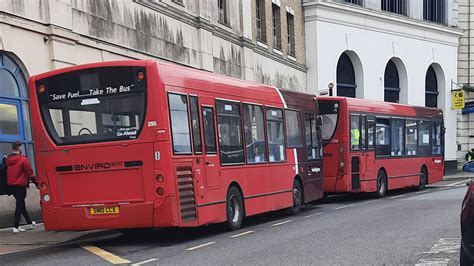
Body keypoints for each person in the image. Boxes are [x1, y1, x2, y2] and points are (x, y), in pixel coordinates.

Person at [4, 141, 38, 233]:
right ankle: (15, 226)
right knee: (19, 205)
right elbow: (30, 172)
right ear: (19, 147)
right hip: (20, 185)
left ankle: (29, 223)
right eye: (21, 146)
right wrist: (36, 183)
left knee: (21, 204)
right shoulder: (23, 159)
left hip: (11, 185)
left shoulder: (8, 159)